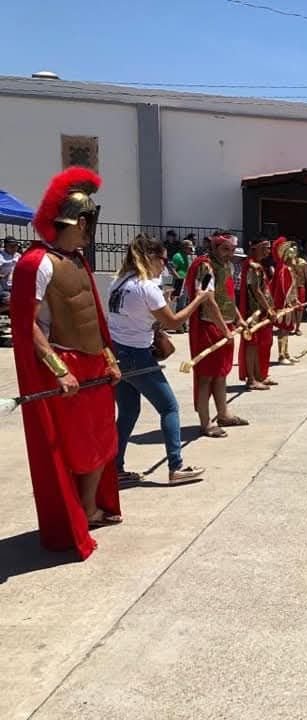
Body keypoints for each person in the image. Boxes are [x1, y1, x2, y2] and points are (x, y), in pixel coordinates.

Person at [11, 167, 122, 558]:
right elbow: (27, 327)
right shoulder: (36, 263)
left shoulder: (77, 261)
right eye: (85, 222)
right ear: (69, 222)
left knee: (101, 443)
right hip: (66, 366)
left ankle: (90, 508)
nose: (89, 231)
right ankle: (73, 513)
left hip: (93, 365)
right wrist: (59, 370)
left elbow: (94, 317)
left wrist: (109, 359)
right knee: (73, 448)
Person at [108, 234, 209, 484]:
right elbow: (174, 322)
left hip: (117, 352)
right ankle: (176, 465)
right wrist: (199, 299)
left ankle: (115, 467)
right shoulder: (147, 286)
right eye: (162, 259)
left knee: (129, 411)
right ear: (151, 257)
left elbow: (135, 316)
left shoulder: (119, 282)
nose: (164, 264)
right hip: (137, 354)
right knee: (169, 407)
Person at [184, 232, 248, 438]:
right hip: (208, 327)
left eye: (231, 250)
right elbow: (208, 301)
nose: (228, 254)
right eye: (224, 249)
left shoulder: (225, 266)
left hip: (224, 326)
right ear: (214, 248)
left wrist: (238, 318)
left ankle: (224, 414)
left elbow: (227, 297)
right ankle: (206, 422)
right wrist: (224, 330)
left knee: (221, 374)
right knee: (206, 376)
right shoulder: (206, 266)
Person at [238, 237, 277, 389]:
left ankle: (260, 375)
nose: (268, 250)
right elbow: (256, 290)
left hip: (260, 311)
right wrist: (268, 308)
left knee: (260, 344)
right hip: (253, 312)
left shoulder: (258, 266)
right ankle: (251, 379)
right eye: (265, 247)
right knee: (252, 345)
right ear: (255, 247)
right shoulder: (252, 266)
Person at [271, 237, 299, 365]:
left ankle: (286, 353)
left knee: (287, 329)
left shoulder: (289, 269)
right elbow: (283, 288)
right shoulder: (284, 269)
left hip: (289, 304)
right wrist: (289, 302)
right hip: (284, 304)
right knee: (283, 330)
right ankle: (281, 356)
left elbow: (292, 288)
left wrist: (295, 300)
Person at [1, 236, 21, 315]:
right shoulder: (1, 256)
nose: (14, 248)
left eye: (15, 246)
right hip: (2, 286)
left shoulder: (18, 256)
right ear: (5, 246)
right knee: (11, 301)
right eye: (11, 246)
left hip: (14, 286)